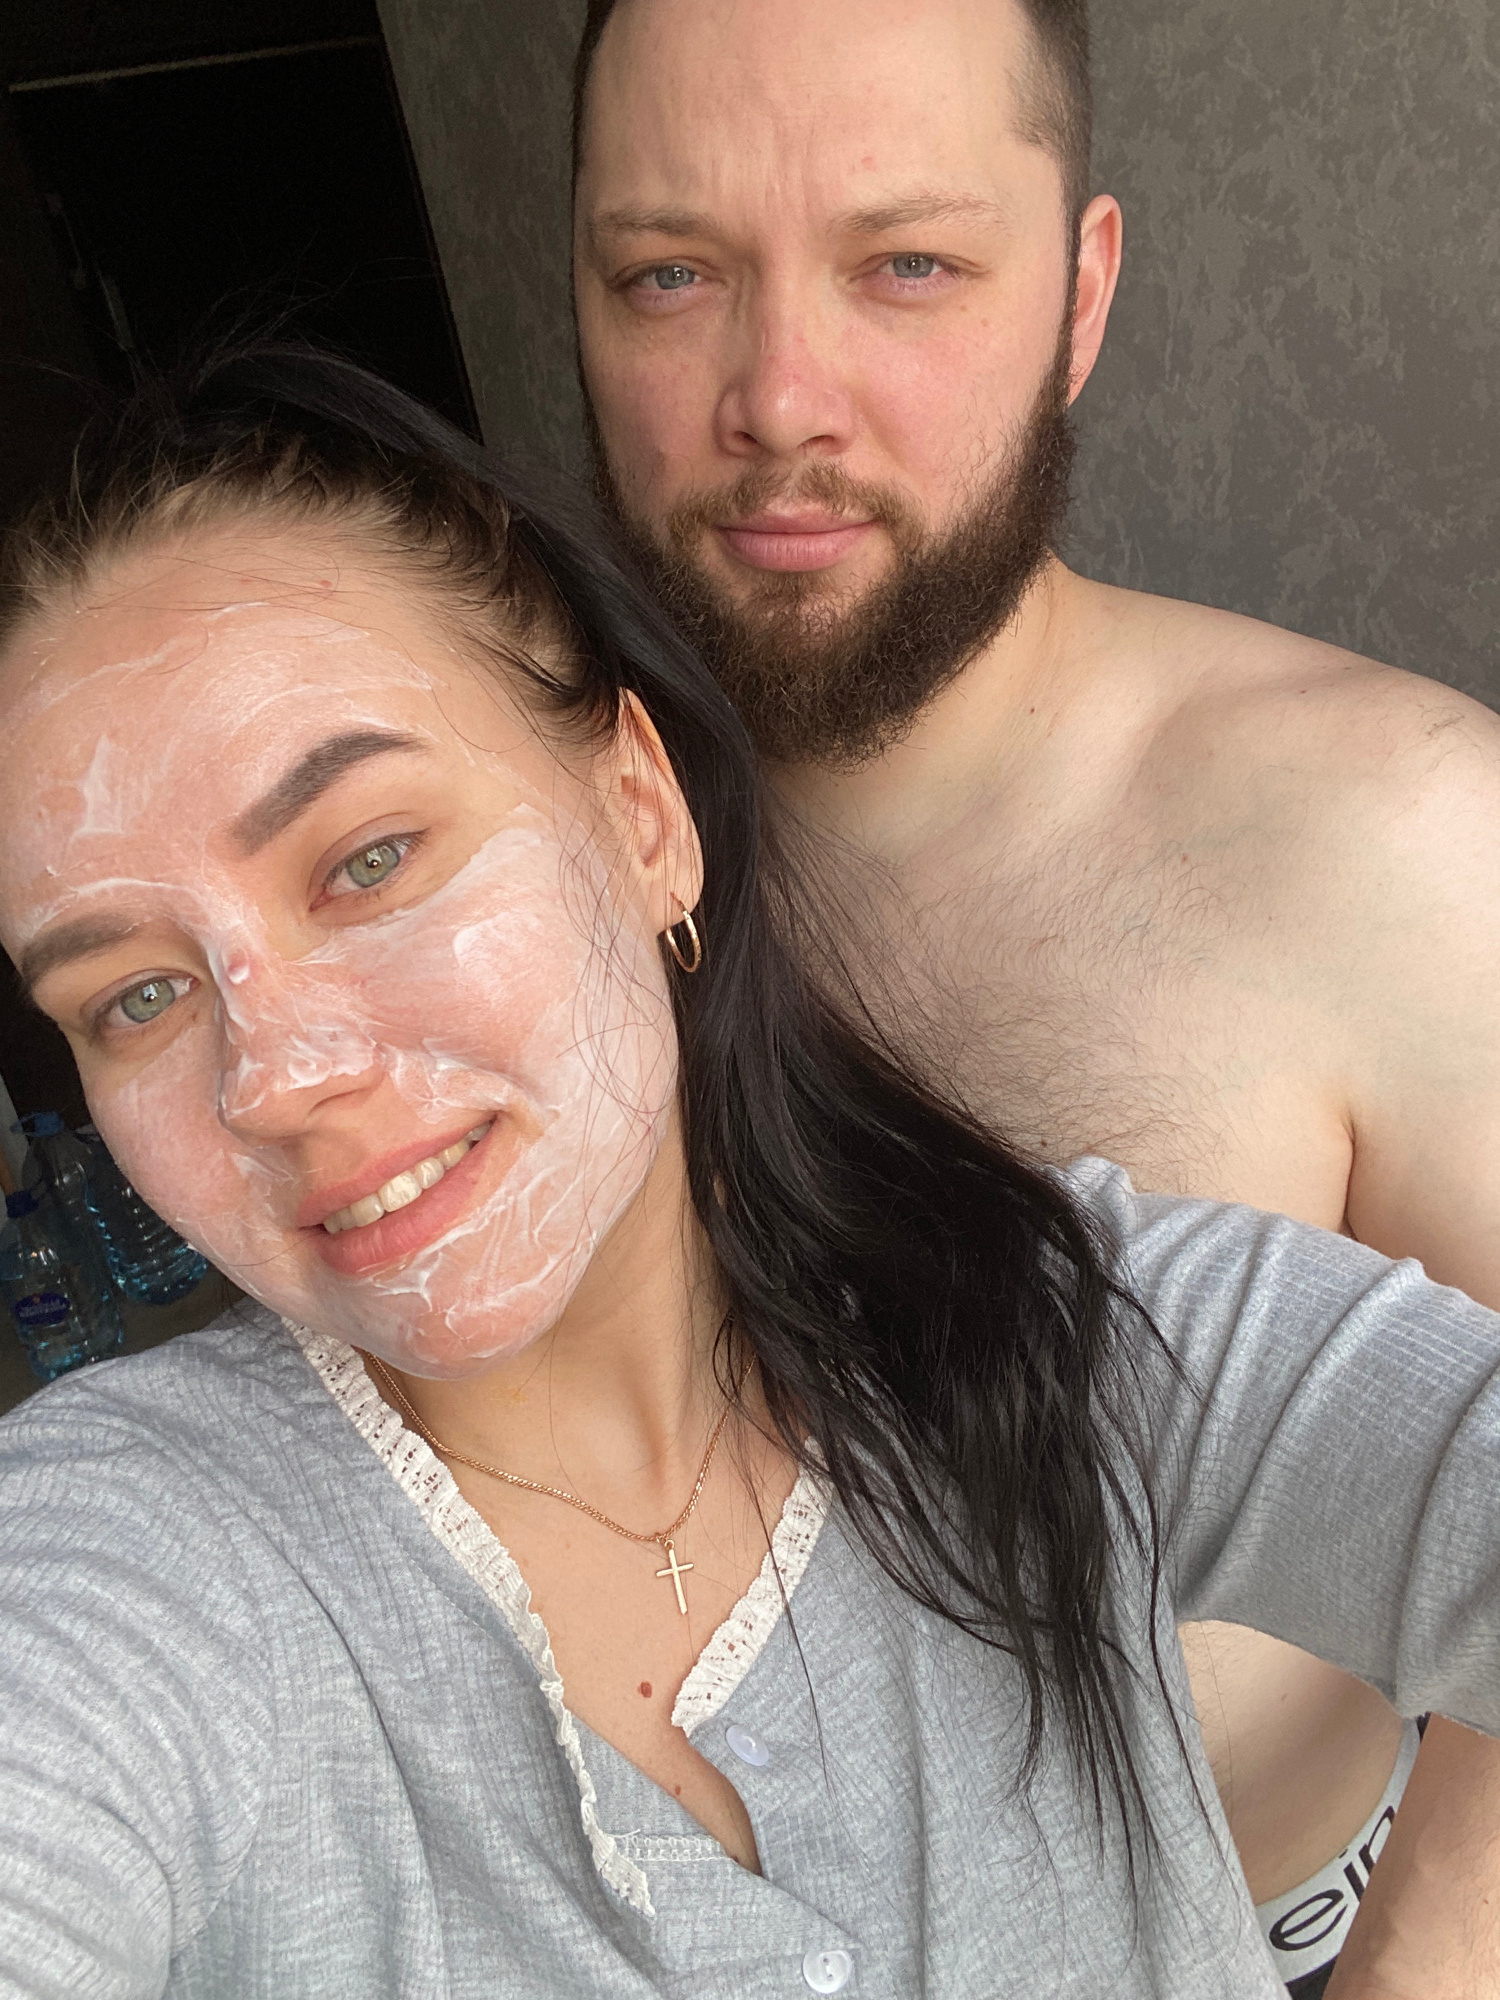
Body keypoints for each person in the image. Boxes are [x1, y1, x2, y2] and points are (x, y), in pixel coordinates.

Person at [0, 345, 1498, 1998]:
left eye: (368, 859)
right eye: (134, 996)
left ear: (643, 815)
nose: (276, 1081)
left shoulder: (1063, 1325)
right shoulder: (131, 1572)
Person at [568, 1, 1500, 1992]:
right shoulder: (493, 856)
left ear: (1080, 294)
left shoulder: (1404, 838)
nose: (777, 397)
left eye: (906, 264)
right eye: (669, 274)